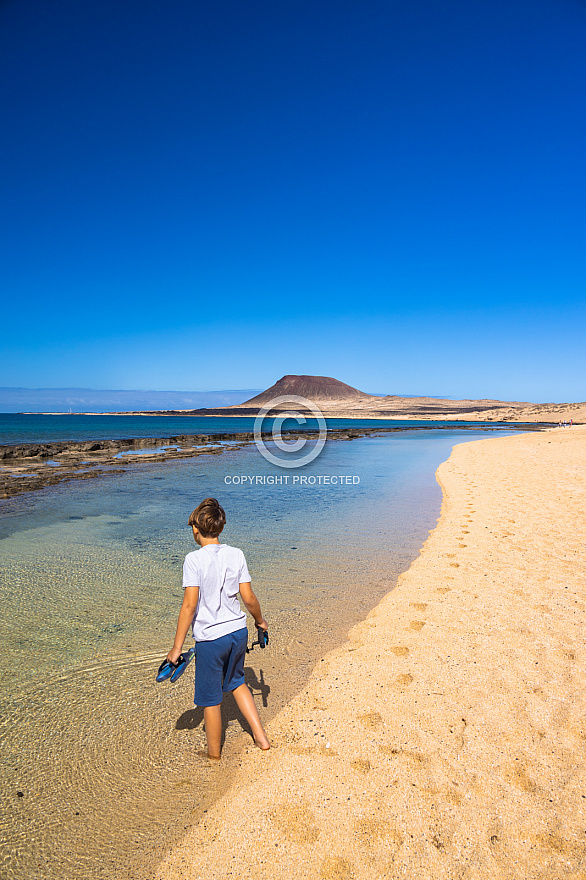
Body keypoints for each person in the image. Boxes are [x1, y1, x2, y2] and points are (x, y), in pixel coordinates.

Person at [166, 497, 270, 759]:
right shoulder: (236, 554)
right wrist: (260, 621)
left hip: (211, 639)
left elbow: (189, 606)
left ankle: (213, 756)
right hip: (237, 631)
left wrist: (176, 647)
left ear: (195, 530)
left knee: (210, 699)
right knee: (237, 682)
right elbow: (248, 598)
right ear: (221, 528)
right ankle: (261, 737)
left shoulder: (193, 560)